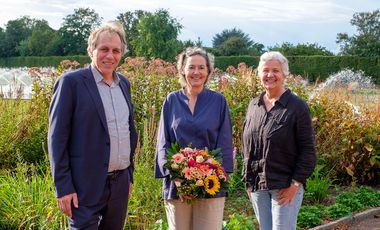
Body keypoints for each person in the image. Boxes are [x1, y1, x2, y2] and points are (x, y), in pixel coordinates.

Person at [47, 21, 138, 229]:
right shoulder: (71, 83)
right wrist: (63, 187)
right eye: (104, 49)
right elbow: (57, 138)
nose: (110, 55)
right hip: (83, 186)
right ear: (91, 50)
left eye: (116, 50)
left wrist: (129, 175)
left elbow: (128, 131)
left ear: (121, 54)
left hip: (119, 185)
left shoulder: (124, 83)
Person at [155, 47, 234, 230]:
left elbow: (224, 142)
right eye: (191, 67)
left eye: (201, 67)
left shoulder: (218, 101)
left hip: (210, 183)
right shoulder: (171, 100)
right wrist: (177, 178)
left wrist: (210, 177)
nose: (196, 72)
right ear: (182, 69)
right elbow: (163, 142)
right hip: (177, 185)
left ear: (208, 72)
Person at [242, 51, 316, 230]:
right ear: (259, 74)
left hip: (285, 185)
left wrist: (295, 184)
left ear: (285, 74)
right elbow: (246, 145)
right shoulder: (254, 105)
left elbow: (308, 150)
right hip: (257, 185)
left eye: (275, 70)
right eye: (265, 70)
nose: (270, 75)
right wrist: (247, 181)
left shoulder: (297, 107)